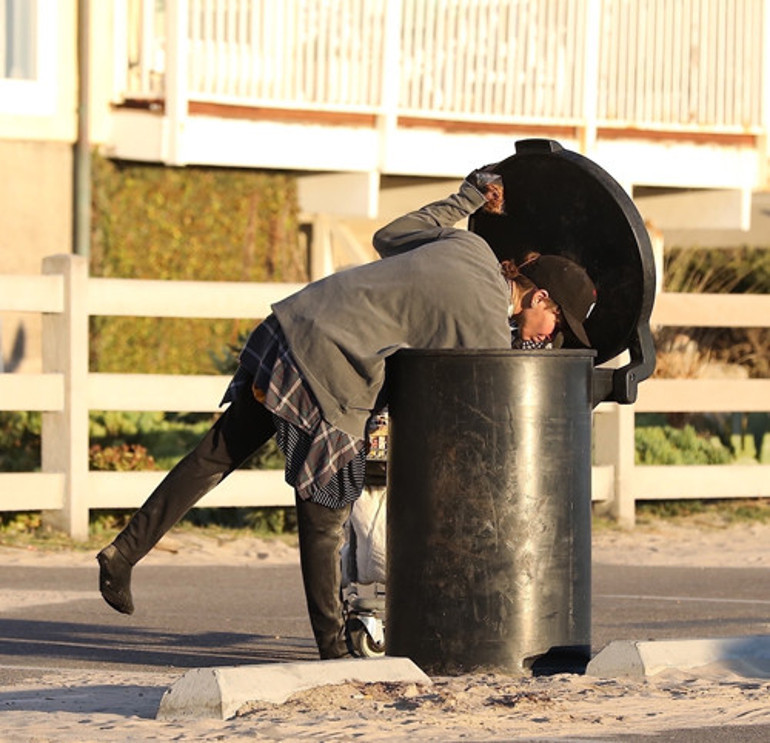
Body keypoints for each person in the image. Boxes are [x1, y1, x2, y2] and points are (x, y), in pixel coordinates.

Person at [97, 166, 597, 659]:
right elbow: (484, 409)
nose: (550, 336)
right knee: (325, 512)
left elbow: (390, 235)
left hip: (291, 325)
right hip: (328, 367)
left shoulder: (469, 247)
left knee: (217, 453)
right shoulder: (486, 323)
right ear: (540, 295)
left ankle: (123, 554)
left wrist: (465, 199)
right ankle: (333, 652)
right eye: (555, 322)